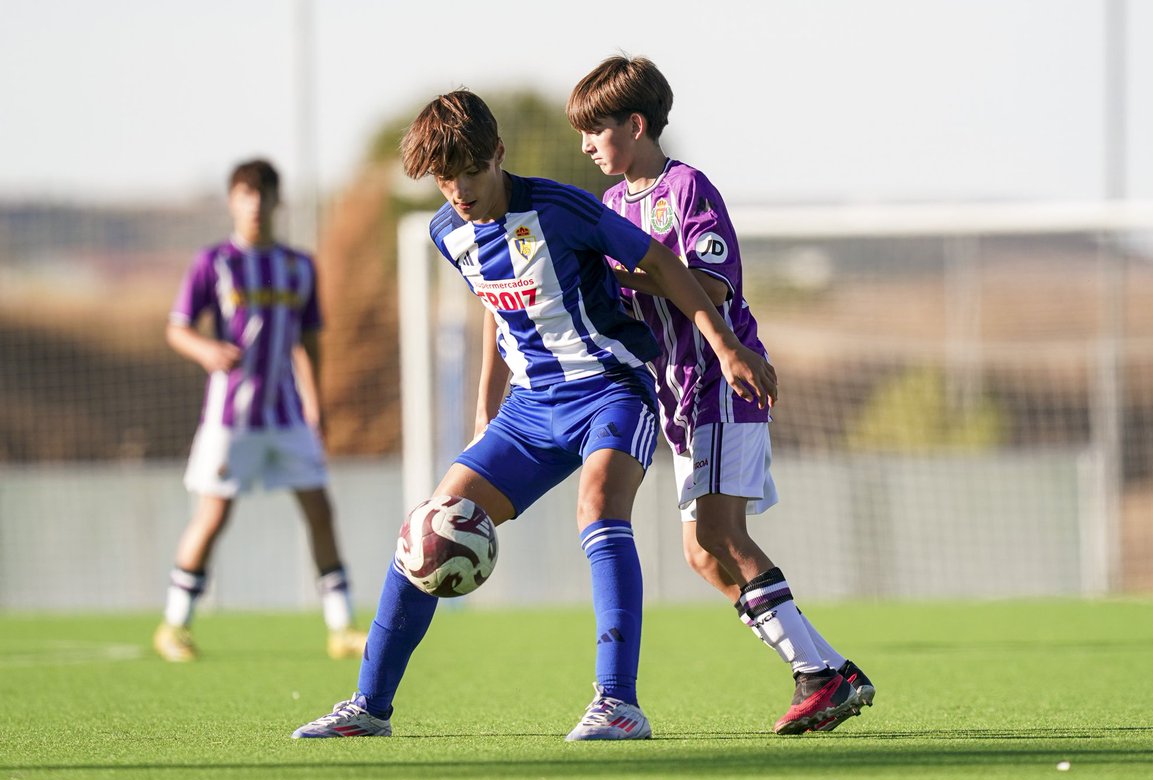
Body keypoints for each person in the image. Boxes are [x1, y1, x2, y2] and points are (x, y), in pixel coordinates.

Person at [291, 89, 777, 740]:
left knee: (598, 508)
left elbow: (659, 262)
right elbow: (498, 310)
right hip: (529, 410)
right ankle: (369, 707)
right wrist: (486, 411)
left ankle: (617, 703)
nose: (459, 190)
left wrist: (726, 347)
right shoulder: (446, 232)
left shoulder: (560, 208)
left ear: (496, 154)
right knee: (426, 531)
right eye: (444, 179)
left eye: (469, 171)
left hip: (610, 389)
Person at [567, 55, 875, 734]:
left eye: (596, 129)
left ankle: (817, 675)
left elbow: (707, 287)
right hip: (675, 397)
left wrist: (635, 280)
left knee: (718, 532)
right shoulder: (614, 205)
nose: (585, 144)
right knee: (702, 554)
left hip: (720, 383)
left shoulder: (687, 190)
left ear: (637, 124)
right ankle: (831, 670)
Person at [153, 158, 368, 663]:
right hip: (231, 419)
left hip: (288, 417)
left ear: (276, 201)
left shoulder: (299, 266)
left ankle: (341, 628)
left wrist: (316, 403)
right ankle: (174, 625)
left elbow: (308, 341)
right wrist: (206, 350)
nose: (254, 204)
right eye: (245, 195)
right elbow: (177, 327)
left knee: (320, 511)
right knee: (213, 515)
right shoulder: (214, 263)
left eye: (262, 194)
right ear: (233, 201)